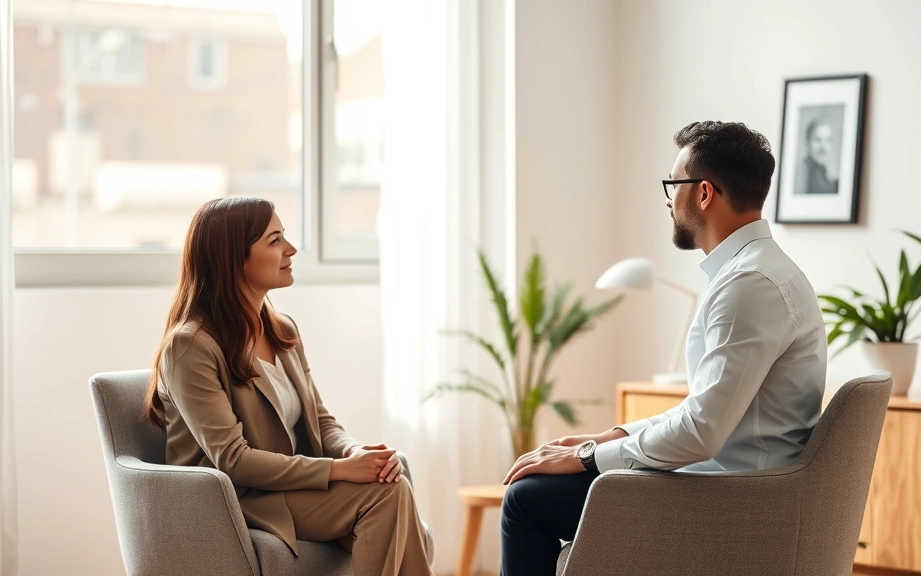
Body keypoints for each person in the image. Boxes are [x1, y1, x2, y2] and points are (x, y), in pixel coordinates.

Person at [498, 121, 827, 576]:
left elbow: (700, 433)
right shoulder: (760, 271)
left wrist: (586, 457)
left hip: (736, 504)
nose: (668, 201)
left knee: (525, 500)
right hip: (744, 486)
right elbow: (704, 411)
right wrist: (609, 438)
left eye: (673, 186)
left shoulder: (748, 285)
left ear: (704, 193)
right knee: (538, 490)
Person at [143, 197, 433, 576]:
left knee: (393, 485)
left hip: (290, 488)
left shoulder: (282, 330)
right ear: (234, 258)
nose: (291, 249)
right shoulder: (191, 346)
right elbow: (233, 459)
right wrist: (339, 470)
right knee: (387, 496)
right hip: (237, 499)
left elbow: (321, 422)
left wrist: (355, 451)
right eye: (275, 240)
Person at [794, 119, 839, 195]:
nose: (823, 147)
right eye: (818, 140)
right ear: (807, 141)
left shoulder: (825, 174)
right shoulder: (801, 173)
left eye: (828, 140)